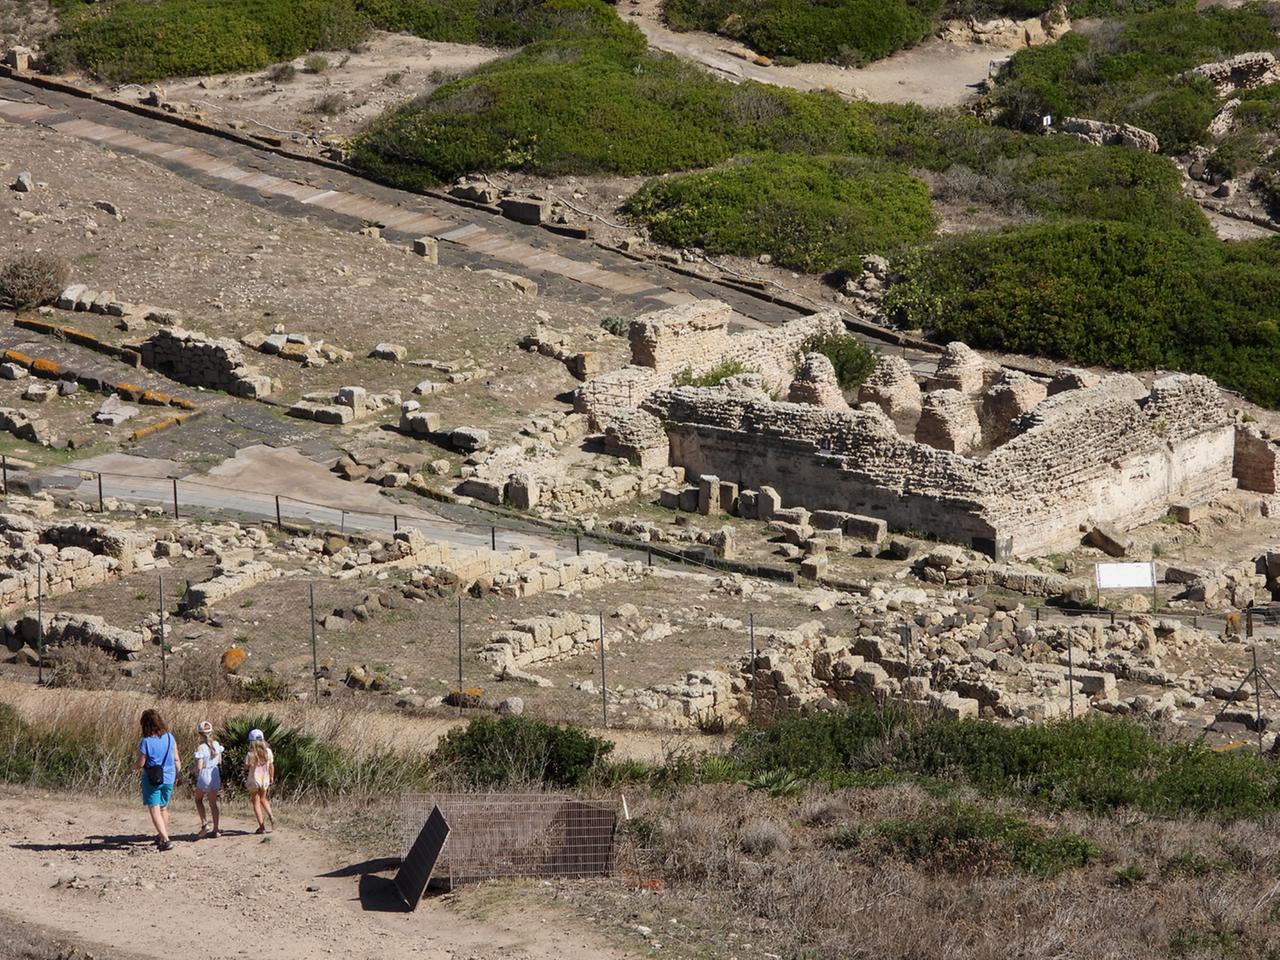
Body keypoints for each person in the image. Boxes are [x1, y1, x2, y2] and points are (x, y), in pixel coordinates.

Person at [129, 709, 180, 851]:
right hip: (169, 776)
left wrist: (131, 768)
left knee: (154, 808)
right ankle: (161, 835)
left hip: (153, 778)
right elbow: (176, 758)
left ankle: (165, 839)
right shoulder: (170, 737)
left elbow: (141, 763)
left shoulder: (145, 742)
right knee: (163, 807)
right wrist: (179, 774)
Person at [191, 720, 223, 839]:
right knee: (213, 802)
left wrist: (192, 769)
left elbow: (199, 767)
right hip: (214, 774)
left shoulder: (201, 748)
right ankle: (216, 829)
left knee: (198, 799)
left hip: (204, 774)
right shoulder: (216, 744)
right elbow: (219, 761)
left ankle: (204, 823)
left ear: (199, 734)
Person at [245, 728, 275, 835]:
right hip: (265, 780)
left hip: (254, 781)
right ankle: (271, 815)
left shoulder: (250, 754)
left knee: (256, 802)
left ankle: (261, 827)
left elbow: (246, 766)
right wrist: (271, 777)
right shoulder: (268, 752)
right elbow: (271, 766)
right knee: (263, 798)